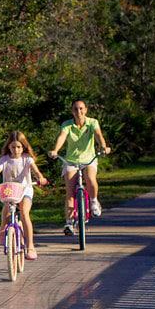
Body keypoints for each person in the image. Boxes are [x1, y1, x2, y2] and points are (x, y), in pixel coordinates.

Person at [0, 131, 49, 260]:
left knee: (24, 212)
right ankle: (3, 227)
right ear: (8, 147)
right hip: (9, 190)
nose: (16, 150)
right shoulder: (4, 160)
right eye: (13, 147)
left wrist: (41, 178)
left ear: (23, 147)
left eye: (19, 147)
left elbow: (36, 172)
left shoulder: (27, 159)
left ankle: (30, 246)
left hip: (25, 189)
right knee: (6, 211)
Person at [48, 99, 111, 235]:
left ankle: (94, 201)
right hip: (71, 161)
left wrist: (103, 147)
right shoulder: (67, 125)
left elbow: (99, 135)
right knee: (70, 193)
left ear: (86, 110)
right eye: (76, 109)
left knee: (90, 177)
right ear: (72, 111)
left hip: (89, 160)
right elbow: (62, 137)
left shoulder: (92, 123)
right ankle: (69, 224)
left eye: (81, 108)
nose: (79, 112)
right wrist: (55, 150)